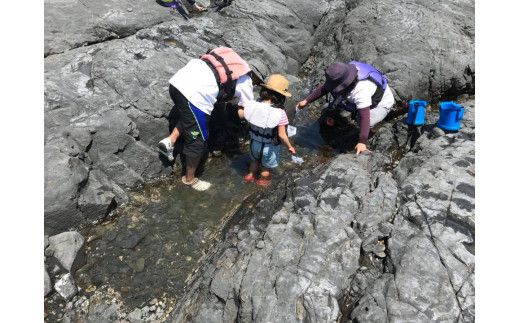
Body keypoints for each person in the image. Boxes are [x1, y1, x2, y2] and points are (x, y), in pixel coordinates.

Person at [158, 47, 254, 191]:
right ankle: (189, 179)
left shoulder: (226, 57)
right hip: (194, 95)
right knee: (198, 141)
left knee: (190, 116)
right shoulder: (246, 81)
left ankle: (171, 140)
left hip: (177, 82)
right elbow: (245, 111)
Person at [295, 61, 395, 154]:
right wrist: (306, 101)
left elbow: (365, 117)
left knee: (361, 120)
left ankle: (369, 132)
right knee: (328, 108)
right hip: (359, 97)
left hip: (380, 104)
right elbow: (325, 87)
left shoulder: (361, 91)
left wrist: (362, 142)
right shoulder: (343, 72)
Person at [238, 74, 296, 187]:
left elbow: (241, 115)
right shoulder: (281, 113)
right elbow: (282, 135)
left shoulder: (253, 105)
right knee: (266, 167)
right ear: (281, 96)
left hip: (254, 143)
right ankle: (262, 182)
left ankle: (250, 175)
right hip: (270, 147)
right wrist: (290, 147)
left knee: (254, 161)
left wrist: (240, 106)